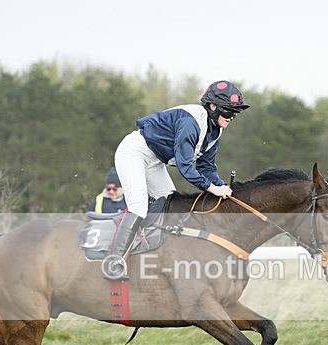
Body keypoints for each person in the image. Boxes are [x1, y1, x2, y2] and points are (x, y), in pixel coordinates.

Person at [106, 80, 249, 280]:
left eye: (235, 113)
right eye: (228, 112)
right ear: (213, 107)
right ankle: (114, 261)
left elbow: (206, 167)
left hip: (154, 160)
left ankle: (150, 252)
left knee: (171, 204)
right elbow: (185, 167)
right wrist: (211, 188)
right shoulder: (191, 122)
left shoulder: (215, 131)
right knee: (138, 206)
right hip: (134, 152)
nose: (232, 117)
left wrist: (221, 185)